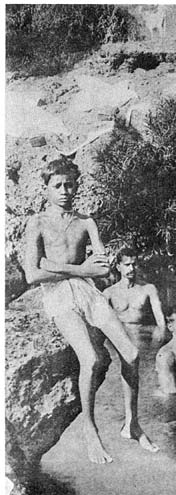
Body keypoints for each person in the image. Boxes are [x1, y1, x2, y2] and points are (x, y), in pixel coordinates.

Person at [23, 157, 157, 463]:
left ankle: (132, 424)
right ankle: (90, 430)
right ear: (46, 189)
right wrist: (79, 269)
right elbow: (32, 274)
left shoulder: (86, 222)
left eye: (70, 185)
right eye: (57, 185)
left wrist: (56, 265)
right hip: (57, 294)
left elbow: (102, 268)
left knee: (132, 354)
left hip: (87, 291)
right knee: (92, 358)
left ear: (76, 187)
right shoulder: (37, 223)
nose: (64, 191)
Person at [103, 246, 166, 344]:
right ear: (118, 267)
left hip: (141, 336)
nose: (131, 268)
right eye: (127, 265)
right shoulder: (109, 293)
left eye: (134, 264)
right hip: (119, 338)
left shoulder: (148, 289)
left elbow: (159, 317)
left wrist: (161, 332)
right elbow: (101, 320)